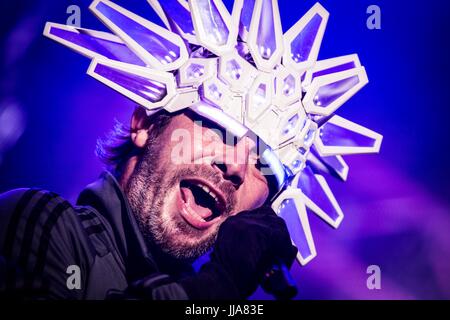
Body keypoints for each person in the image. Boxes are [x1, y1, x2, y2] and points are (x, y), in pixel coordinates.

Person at [0, 106, 297, 300]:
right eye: (219, 128)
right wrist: (217, 288)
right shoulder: (43, 222)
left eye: (265, 166)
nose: (236, 165)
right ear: (145, 125)